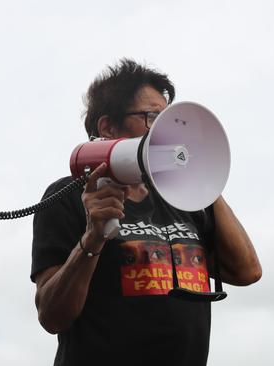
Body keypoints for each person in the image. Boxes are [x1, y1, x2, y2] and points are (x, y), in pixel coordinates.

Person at [30, 59, 261, 366]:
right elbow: (52, 315)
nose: (166, 129)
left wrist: (202, 176)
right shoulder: (68, 197)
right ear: (108, 126)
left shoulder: (183, 197)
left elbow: (247, 272)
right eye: (152, 116)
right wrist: (93, 238)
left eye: (169, 118)